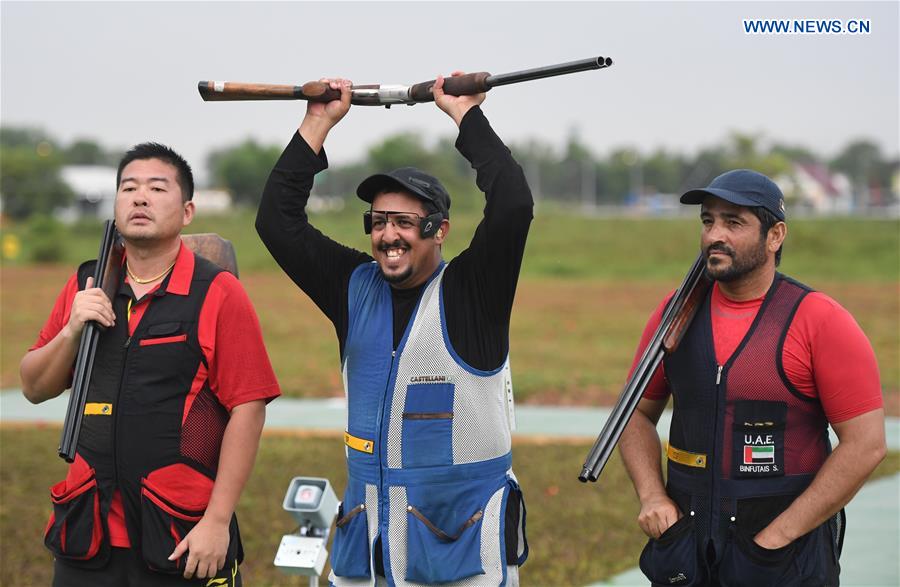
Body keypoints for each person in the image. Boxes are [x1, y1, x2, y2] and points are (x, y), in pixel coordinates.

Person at [256, 74, 531, 585]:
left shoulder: (475, 291)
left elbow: (513, 204)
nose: (387, 236)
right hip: (367, 553)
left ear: (439, 230)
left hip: (462, 555)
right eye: (378, 222)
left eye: (403, 222)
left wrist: (465, 114)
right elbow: (277, 220)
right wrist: (318, 123)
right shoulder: (352, 286)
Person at [20, 143, 280, 586]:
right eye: (128, 187)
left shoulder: (217, 291)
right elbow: (34, 386)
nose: (139, 197)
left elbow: (248, 407)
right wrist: (72, 330)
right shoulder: (89, 282)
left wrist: (217, 521)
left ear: (187, 211)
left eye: (157, 188)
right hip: (87, 532)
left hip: (180, 533)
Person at [618, 169, 886, 586]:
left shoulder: (819, 320)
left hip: (785, 560)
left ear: (775, 235)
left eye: (733, 222)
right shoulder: (674, 315)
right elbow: (633, 415)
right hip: (686, 551)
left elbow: (867, 444)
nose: (713, 235)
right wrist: (652, 495)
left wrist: (778, 536)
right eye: (708, 221)